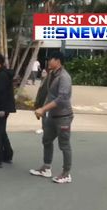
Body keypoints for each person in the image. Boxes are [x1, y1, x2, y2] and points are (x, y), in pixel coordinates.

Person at [29, 51, 74, 184]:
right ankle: (46, 167)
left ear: (58, 61)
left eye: (51, 59)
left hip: (63, 116)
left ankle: (66, 173)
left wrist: (43, 109)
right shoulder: (51, 74)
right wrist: (39, 107)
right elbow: (46, 93)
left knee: (64, 145)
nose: (48, 61)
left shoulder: (65, 77)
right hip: (51, 116)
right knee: (47, 140)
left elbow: (62, 98)